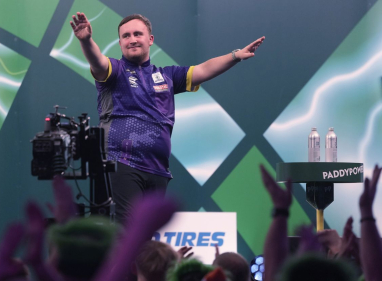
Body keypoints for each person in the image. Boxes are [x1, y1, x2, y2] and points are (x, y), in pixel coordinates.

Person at [70, 12, 265, 223]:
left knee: (147, 236)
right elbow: (97, 62)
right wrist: (86, 40)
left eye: (138, 34)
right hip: (122, 162)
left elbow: (203, 69)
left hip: (158, 169)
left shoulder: (167, 76)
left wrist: (235, 55)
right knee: (128, 233)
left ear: (150, 39)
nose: (132, 39)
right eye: (126, 36)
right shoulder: (115, 71)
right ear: (120, 43)